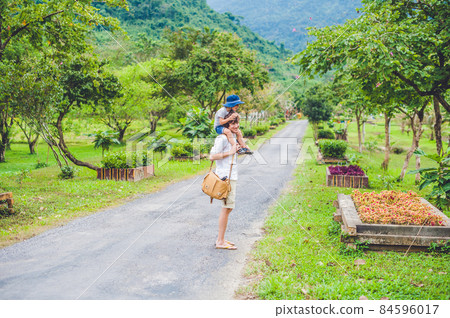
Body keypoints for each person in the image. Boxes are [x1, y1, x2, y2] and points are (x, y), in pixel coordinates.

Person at [210, 111, 241, 250]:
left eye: (237, 123)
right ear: (227, 125)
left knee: (228, 208)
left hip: (231, 176)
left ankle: (221, 239)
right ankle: (220, 241)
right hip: (225, 177)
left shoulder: (232, 138)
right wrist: (231, 152)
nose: (236, 126)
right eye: (233, 123)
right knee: (227, 207)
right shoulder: (222, 138)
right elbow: (212, 156)